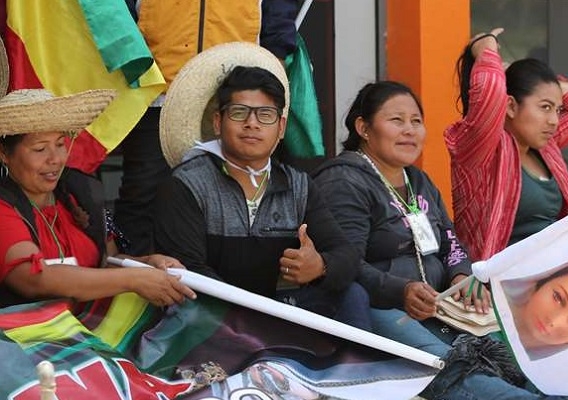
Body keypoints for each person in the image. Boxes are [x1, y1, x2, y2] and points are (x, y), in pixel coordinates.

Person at [312, 81, 568, 400]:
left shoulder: (416, 179)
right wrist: (401, 290)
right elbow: (346, 263)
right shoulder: (343, 180)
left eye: (416, 121)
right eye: (396, 120)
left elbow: (451, 242)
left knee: (516, 347)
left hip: (440, 303)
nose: (409, 130)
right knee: (446, 365)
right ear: (363, 128)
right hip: (381, 307)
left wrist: (461, 275)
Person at [152, 42, 368, 329]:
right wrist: (260, 320)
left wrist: (320, 266)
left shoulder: (298, 185)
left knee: (352, 295)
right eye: (239, 113)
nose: (252, 124)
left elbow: (346, 253)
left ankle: (355, 373)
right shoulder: (186, 184)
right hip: (212, 321)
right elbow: (193, 274)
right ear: (218, 122)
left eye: (265, 115)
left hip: (280, 312)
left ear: (280, 128)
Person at [115, 0, 300, 255]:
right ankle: (134, 284)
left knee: (232, 193)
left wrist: (268, 74)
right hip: (156, 91)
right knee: (143, 192)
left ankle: (222, 285)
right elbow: (116, 15)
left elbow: (278, 14)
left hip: (234, 93)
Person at [0, 87, 196, 308]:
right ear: (4, 154)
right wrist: (133, 279)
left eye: (60, 144)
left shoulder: (80, 194)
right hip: (23, 338)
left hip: (88, 330)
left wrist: (146, 264)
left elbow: (107, 262)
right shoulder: (4, 208)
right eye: (39, 149)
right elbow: (33, 279)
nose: (55, 159)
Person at [445, 28, 568, 262]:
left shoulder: (545, 147)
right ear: (509, 106)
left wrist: (541, 86)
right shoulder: (481, 148)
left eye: (558, 110)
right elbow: (490, 90)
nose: (554, 121)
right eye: (545, 107)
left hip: (555, 271)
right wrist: (484, 45)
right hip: (500, 284)